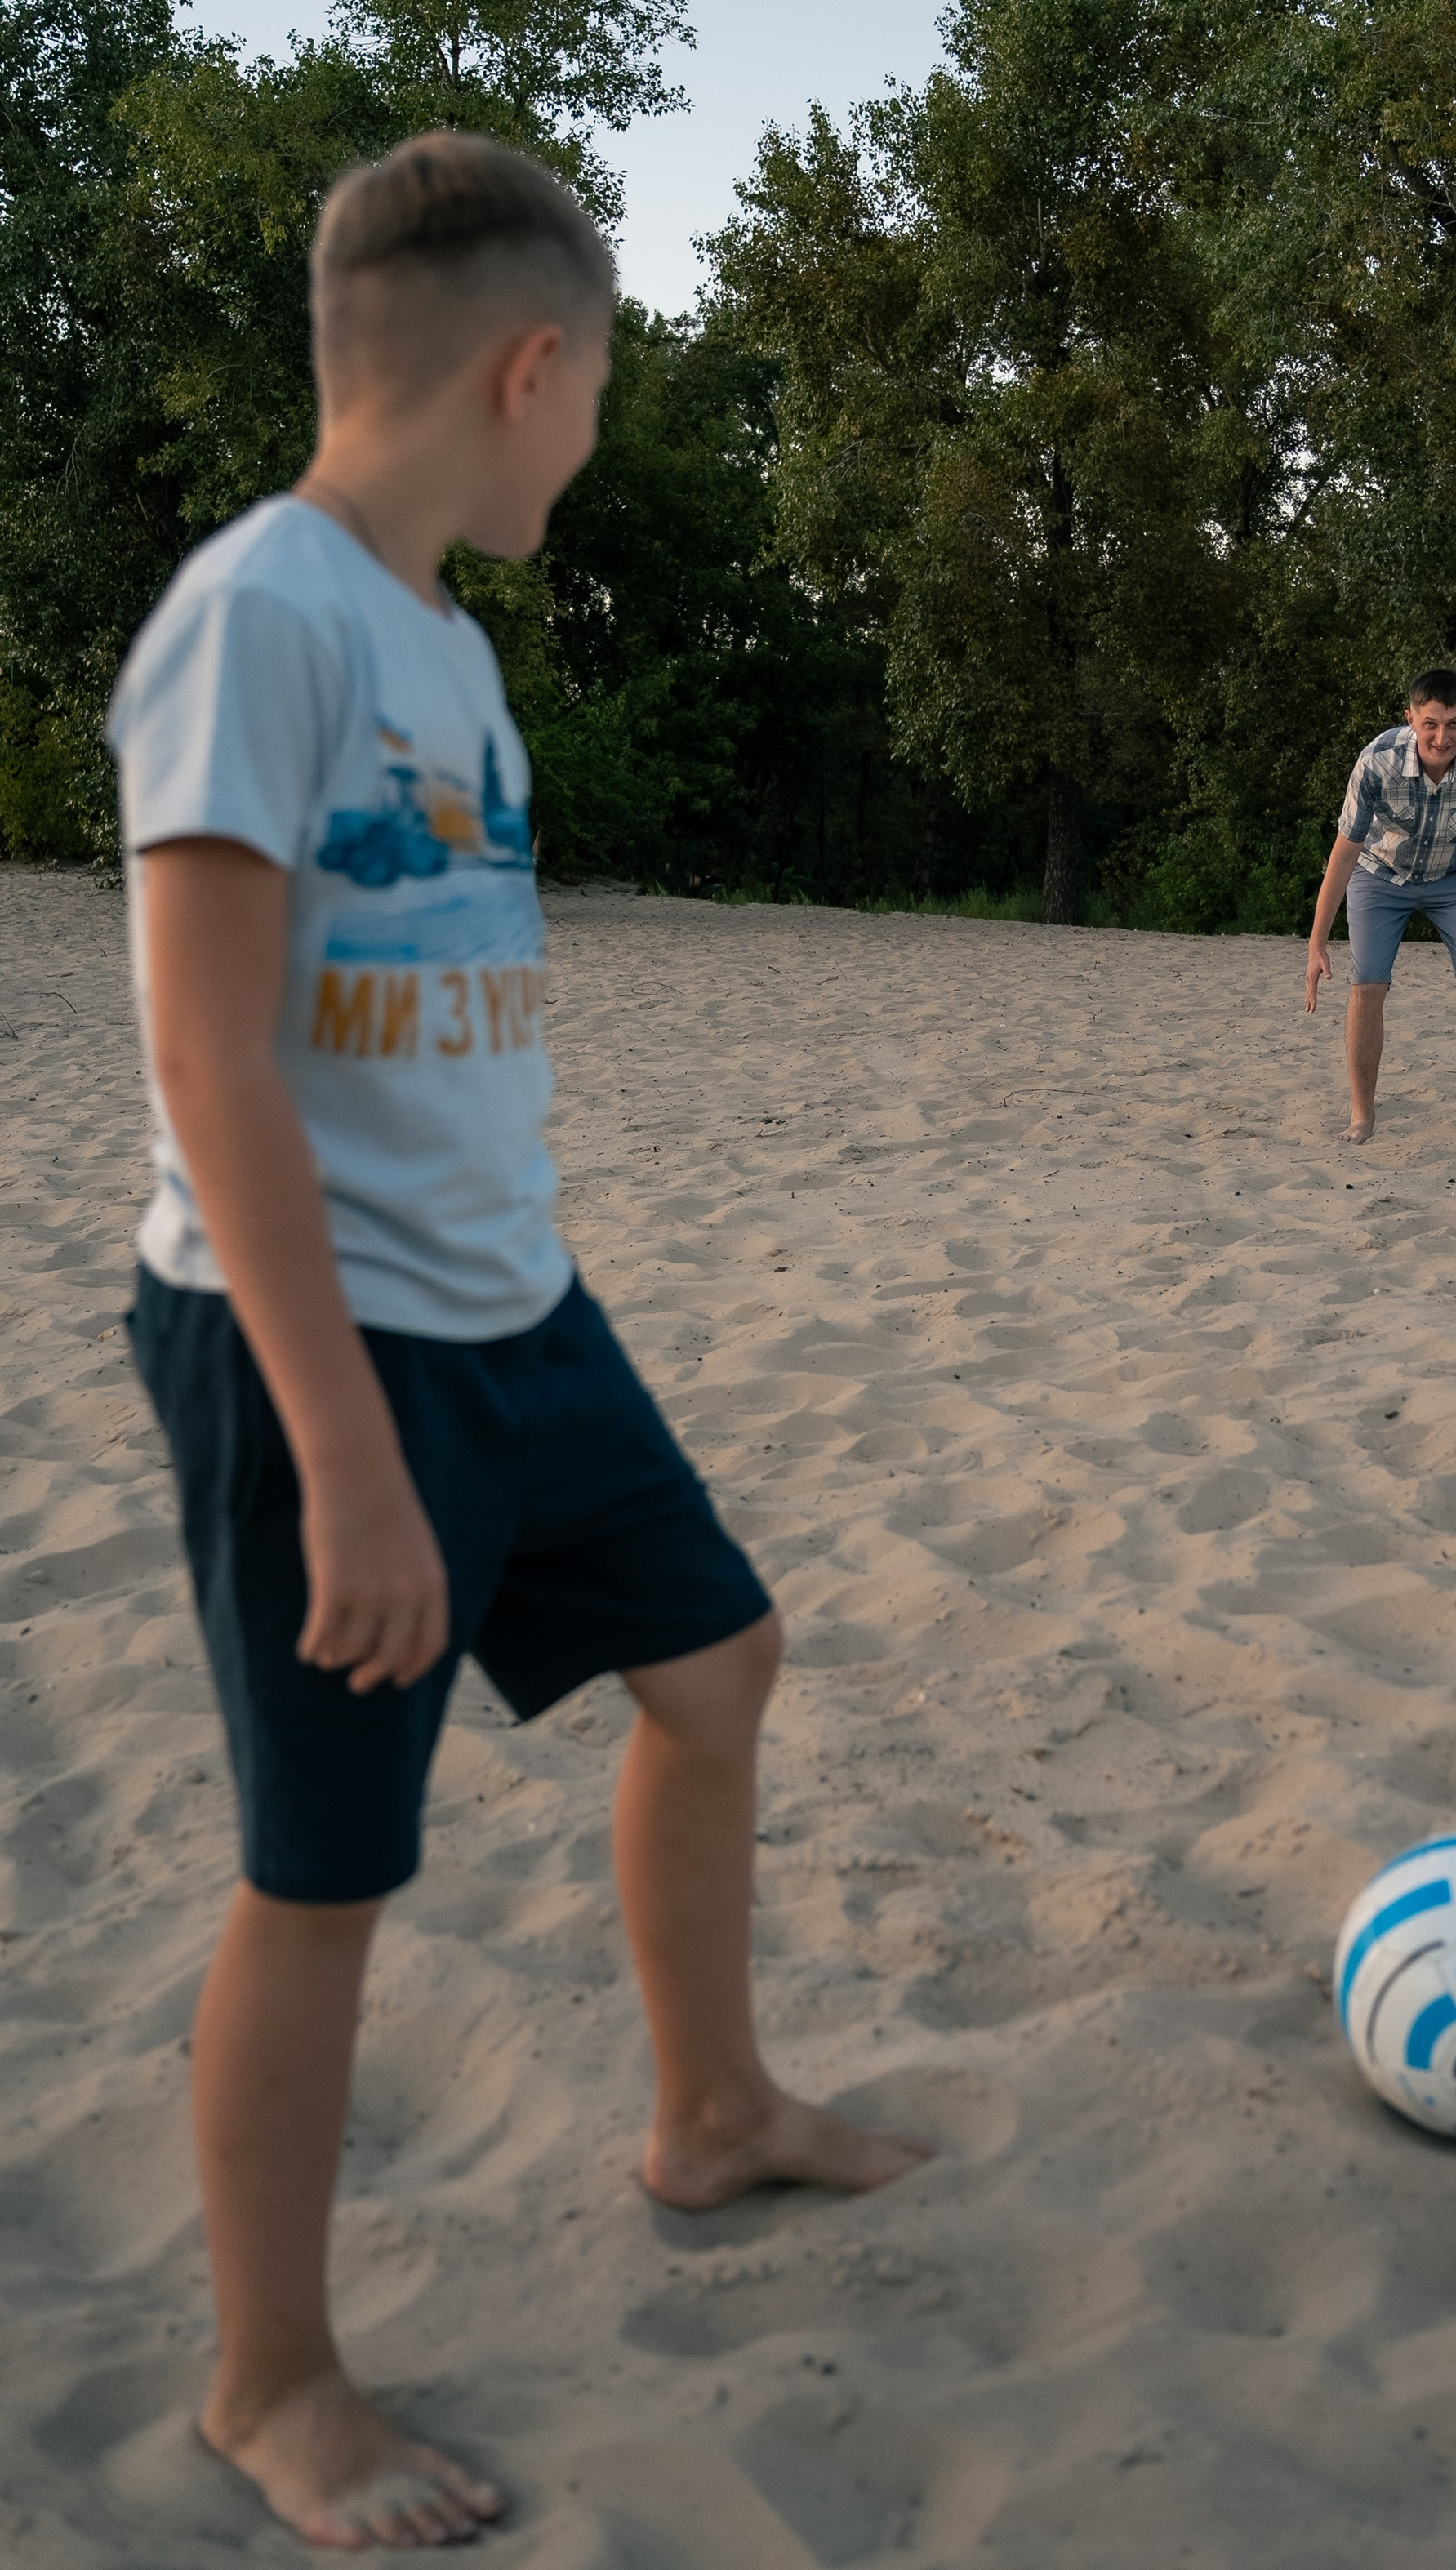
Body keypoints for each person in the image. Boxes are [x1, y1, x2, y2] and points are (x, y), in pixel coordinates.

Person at [106, 132, 923, 2554]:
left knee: (717, 1659)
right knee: (324, 1866)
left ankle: (710, 2111)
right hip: (310, 1347)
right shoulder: (261, 619)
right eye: (596, 398)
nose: (591, 441)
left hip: (514, 1303)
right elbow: (207, 1057)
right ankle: (274, 2376)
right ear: (525, 363)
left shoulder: (447, 641)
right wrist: (347, 1458)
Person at [1303, 667, 1456, 1143]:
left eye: (1454, 723)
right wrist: (1317, 941)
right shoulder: (1377, 761)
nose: (1442, 736)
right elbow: (1346, 848)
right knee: (1367, 985)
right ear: (1410, 717)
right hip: (1380, 873)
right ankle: (1362, 1116)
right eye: (1430, 723)